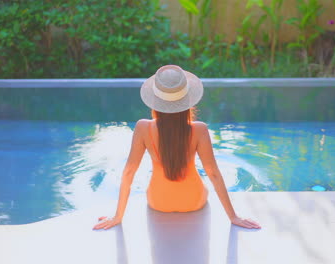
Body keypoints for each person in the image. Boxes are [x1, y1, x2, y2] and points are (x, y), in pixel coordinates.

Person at [93, 65, 261, 230]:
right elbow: (213, 173)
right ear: (187, 100)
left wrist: (118, 216)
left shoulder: (142, 128)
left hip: (158, 202)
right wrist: (233, 217)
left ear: (155, 101)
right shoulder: (199, 129)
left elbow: (129, 172)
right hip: (194, 201)